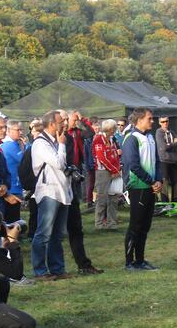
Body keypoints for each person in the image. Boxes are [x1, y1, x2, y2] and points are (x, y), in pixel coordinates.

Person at [30, 110, 71, 279]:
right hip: (48, 192)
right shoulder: (41, 143)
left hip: (61, 192)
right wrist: (62, 145)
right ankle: (40, 271)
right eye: (61, 121)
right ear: (52, 124)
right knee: (44, 233)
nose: (64, 124)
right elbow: (58, 163)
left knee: (57, 235)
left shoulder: (54, 141)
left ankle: (57, 269)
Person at [122, 107, 161, 272]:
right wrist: (151, 181)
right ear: (139, 120)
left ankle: (140, 260)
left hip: (151, 186)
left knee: (145, 226)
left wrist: (158, 179)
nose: (152, 121)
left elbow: (157, 161)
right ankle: (129, 262)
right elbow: (133, 165)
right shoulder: (131, 138)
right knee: (135, 225)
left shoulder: (150, 137)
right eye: (149, 118)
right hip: (138, 187)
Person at [64, 110, 102, 275]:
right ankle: (49, 268)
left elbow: (90, 133)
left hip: (75, 174)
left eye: (69, 119)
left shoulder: (76, 132)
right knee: (52, 230)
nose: (68, 122)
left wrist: (82, 120)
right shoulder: (55, 139)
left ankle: (83, 264)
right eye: (66, 119)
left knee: (76, 226)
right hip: (59, 183)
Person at [92, 119, 121, 230]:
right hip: (102, 172)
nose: (115, 130)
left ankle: (111, 223)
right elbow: (101, 157)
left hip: (115, 171)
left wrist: (117, 169)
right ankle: (99, 224)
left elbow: (115, 154)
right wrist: (113, 170)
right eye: (114, 128)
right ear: (110, 129)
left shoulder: (112, 139)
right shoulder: (99, 139)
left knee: (114, 197)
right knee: (102, 197)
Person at [0, 120, 26, 222]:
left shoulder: (10, 144)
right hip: (13, 187)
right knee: (13, 219)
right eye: (18, 130)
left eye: (21, 129)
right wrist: (27, 145)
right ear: (9, 131)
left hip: (12, 186)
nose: (21, 132)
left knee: (11, 217)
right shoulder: (10, 145)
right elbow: (24, 160)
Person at [155, 117, 177, 202]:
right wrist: (174, 143)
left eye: (166, 121)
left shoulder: (172, 132)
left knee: (176, 182)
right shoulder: (159, 132)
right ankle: (164, 203)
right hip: (164, 161)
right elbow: (164, 147)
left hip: (174, 161)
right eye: (163, 121)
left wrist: (170, 144)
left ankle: (175, 202)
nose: (165, 123)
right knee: (164, 183)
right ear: (159, 123)